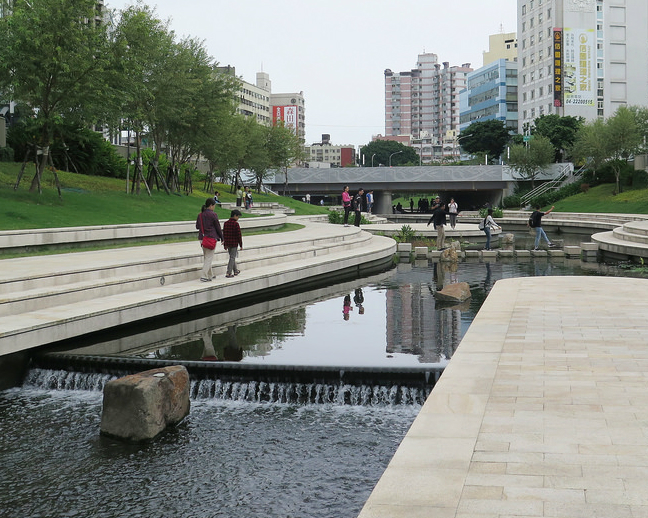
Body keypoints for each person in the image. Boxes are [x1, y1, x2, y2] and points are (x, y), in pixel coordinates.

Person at [195, 198, 223, 282]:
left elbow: (197, 226)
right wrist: (222, 238)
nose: (214, 207)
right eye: (214, 205)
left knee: (207, 257)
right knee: (209, 258)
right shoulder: (213, 215)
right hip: (211, 238)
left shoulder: (200, 215)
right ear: (211, 205)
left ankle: (210, 274)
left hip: (202, 238)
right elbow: (218, 227)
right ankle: (204, 276)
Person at [223, 209, 243, 278]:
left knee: (232, 257)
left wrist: (225, 244)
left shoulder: (226, 223)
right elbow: (239, 235)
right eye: (238, 217)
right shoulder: (236, 224)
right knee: (232, 257)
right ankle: (228, 272)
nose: (238, 218)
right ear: (235, 216)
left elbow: (224, 234)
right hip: (234, 243)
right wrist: (241, 245)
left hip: (228, 243)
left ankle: (235, 270)